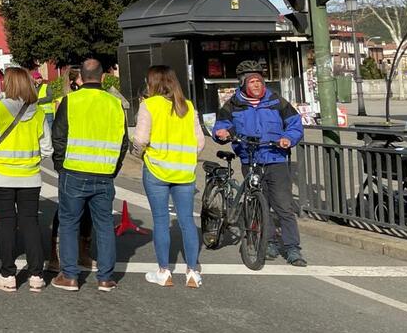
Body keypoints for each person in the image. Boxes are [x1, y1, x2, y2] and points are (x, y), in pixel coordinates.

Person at [213, 61, 307, 266]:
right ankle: (269, 240)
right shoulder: (232, 105)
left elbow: (294, 124)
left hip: (276, 159)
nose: (257, 85)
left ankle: (292, 248)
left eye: (259, 81)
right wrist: (222, 134)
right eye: (252, 81)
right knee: (257, 202)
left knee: (283, 205)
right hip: (250, 159)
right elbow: (222, 127)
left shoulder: (276, 101)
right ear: (243, 84)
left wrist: (288, 139)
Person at [51, 58, 128, 292]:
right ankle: (105, 278)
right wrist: (113, 168)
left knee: (69, 223)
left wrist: (59, 165)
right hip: (104, 173)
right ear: (103, 77)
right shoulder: (115, 104)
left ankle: (70, 276)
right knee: (104, 224)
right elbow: (123, 141)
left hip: (74, 171)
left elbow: (59, 136)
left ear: (81, 78)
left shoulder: (70, 101)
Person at [135, 65, 206, 288]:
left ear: (152, 83)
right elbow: (200, 142)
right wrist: (186, 157)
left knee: (160, 220)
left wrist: (140, 153)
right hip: (184, 172)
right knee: (187, 221)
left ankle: (164, 271)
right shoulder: (188, 106)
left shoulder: (149, 105)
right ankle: (193, 271)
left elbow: (140, 139)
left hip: (157, 169)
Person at [0, 66, 51, 292]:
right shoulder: (38, 113)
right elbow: (47, 149)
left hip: (1, 175)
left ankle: (8, 274)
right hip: (30, 176)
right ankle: (36, 276)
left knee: (7, 222)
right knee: (30, 223)